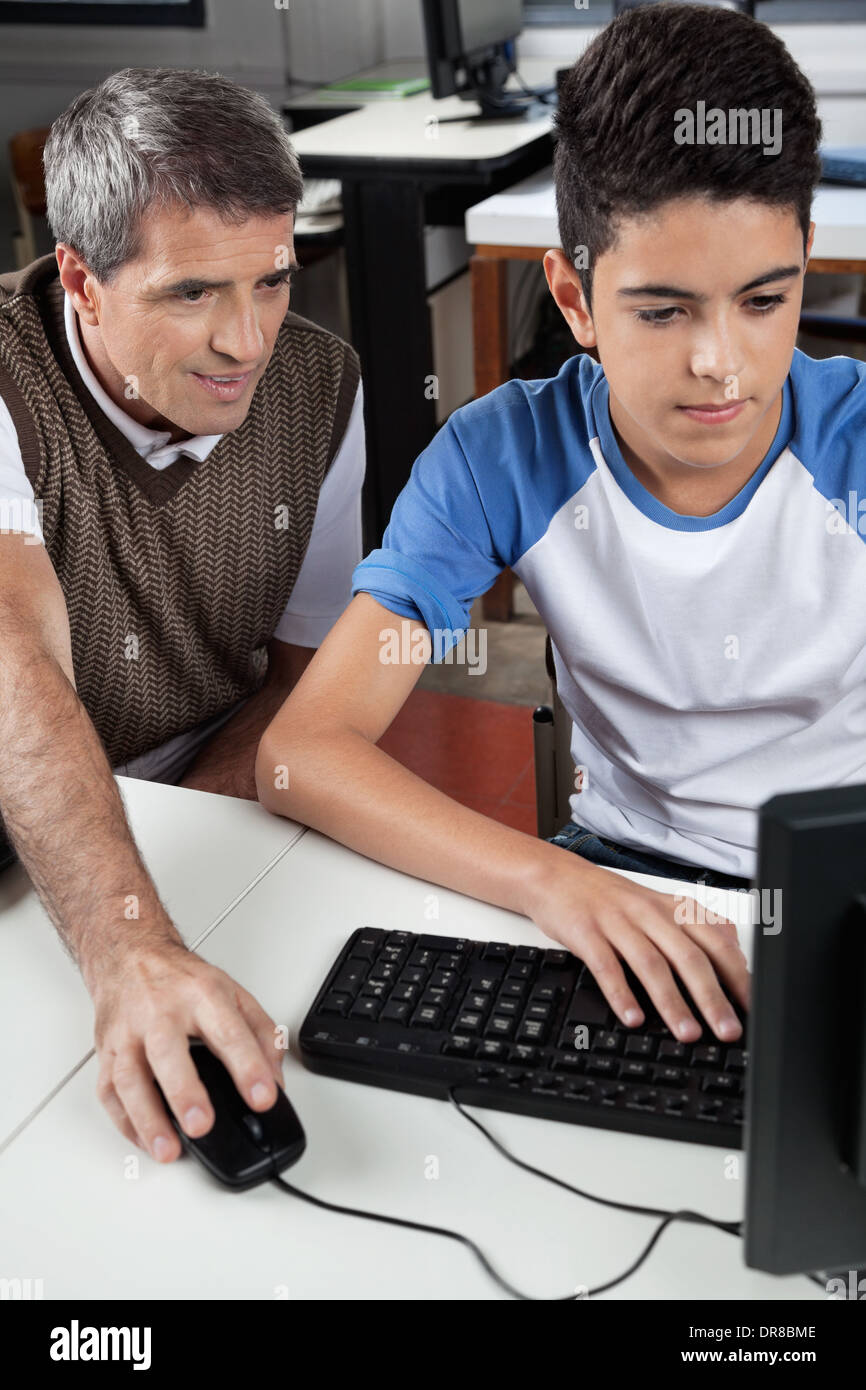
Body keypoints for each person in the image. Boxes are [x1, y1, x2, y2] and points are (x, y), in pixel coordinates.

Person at [257, 4, 864, 1045]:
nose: (719, 363)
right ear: (574, 299)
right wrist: (551, 878)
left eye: (761, 301)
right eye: (661, 312)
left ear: (804, 259)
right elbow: (298, 754)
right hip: (616, 875)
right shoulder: (501, 460)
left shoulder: (848, 449)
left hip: (837, 895)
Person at [0, 67, 364, 1161]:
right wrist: (129, 943)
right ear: (81, 278)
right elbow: (13, 651)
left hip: (207, 791)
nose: (246, 342)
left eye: (270, 281)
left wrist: (169, 879)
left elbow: (306, 676)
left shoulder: (322, 386)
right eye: (192, 293)